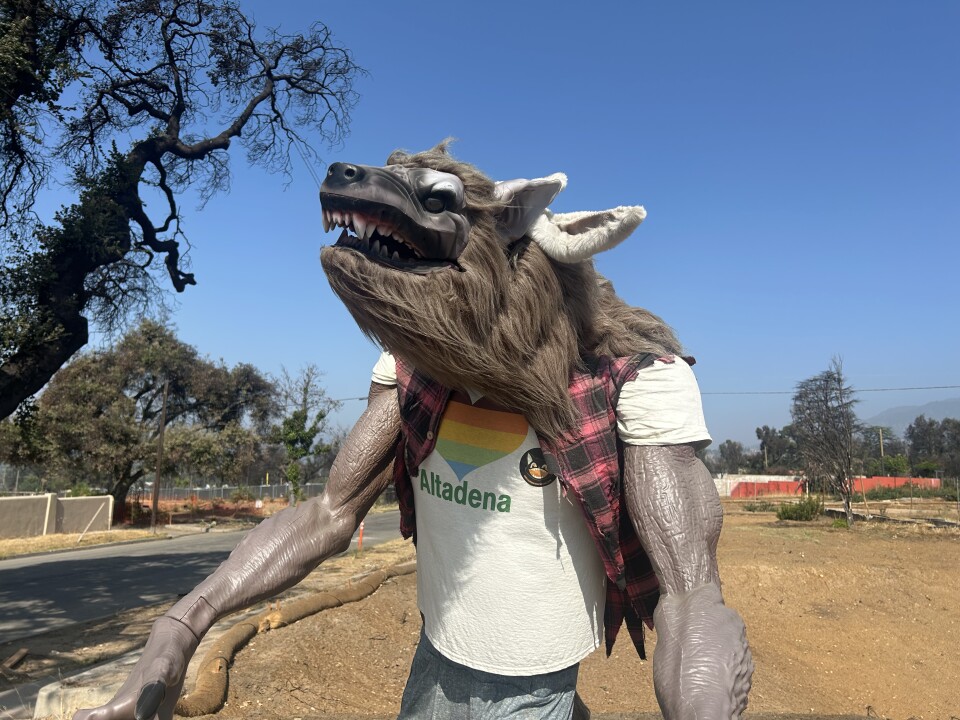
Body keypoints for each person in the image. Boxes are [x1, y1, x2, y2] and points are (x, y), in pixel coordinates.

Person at [75, 143, 752, 720]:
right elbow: (329, 513)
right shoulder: (413, 371)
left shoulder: (634, 383)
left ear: (509, 239)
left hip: (533, 687)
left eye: (434, 202)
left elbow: (692, 592)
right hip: (433, 663)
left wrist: (700, 698)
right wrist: (182, 625)